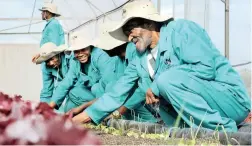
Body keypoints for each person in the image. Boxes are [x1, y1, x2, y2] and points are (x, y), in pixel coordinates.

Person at [72, 0, 250, 132]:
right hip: (200, 114)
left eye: (131, 30)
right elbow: (117, 92)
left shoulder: (181, 30)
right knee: (163, 91)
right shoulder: (140, 58)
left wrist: (157, 85)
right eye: (126, 33)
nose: (128, 38)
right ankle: (195, 129)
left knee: (165, 80)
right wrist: (80, 118)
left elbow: (205, 67)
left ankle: (222, 130)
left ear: (149, 23)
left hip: (229, 101)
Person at [68, 23, 157, 123]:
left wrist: (119, 112)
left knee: (126, 98)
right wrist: (83, 112)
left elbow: (141, 88)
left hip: (150, 98)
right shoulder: (117, 60)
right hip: (144, 97)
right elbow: (116, 91)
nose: (102, 50)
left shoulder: (135, 51)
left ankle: (153, 122)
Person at [48, 36, 115, 112]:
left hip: (105, 95)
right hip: (91, 94)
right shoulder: (74, 59)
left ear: (89, 46)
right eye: (76, 51)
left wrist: (82, 107)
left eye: (83, 49)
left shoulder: (100, 56)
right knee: (71, 96)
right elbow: (67, 81)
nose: (80, 54)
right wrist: (50, 107)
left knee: (96, 88)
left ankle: (100, 113)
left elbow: (110, 84)